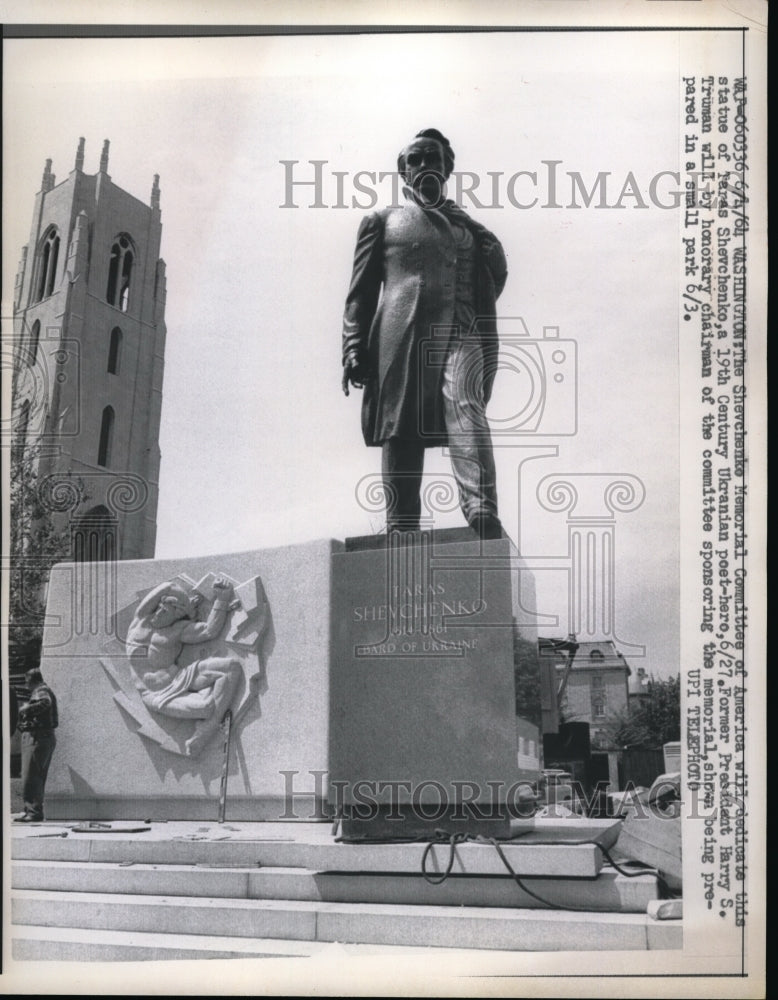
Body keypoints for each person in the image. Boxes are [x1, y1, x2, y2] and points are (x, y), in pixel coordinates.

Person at [342, 127, 508, 538]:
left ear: (447, 167)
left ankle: (481, 509)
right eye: (414, 160)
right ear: (403, 173)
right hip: (402, 334)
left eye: (432, 158)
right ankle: (401, 525)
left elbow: (491, 282)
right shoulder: (382, 221)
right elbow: (361, 291)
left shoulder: (471, 231)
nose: (423, 166)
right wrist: (352, 346)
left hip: (461, 331)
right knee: (401, 428)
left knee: (466, 405)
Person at [126, 577, 240, 756]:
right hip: (155, 694)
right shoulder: (140, 621)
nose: (159, 613)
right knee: (205, 707)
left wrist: (222, 599)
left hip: (179, 678)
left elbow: (209, 631)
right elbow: (168, 586)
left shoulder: (178, 630)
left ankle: (204, 732)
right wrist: (186, 602)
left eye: (167, 612)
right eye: (160, 608)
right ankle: (206, 701)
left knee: (231, 667)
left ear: (177, 617)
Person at [15, 668, 58, 822]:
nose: (27, 686)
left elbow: (45, 702)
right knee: (34, 775)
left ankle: (33, 812)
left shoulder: (41, 690)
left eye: (27, 682)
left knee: (30, 776)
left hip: (37, 737)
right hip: (42, 737)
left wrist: (26, 709)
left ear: (33, 680)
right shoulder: (42, 690)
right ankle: (32, 810)